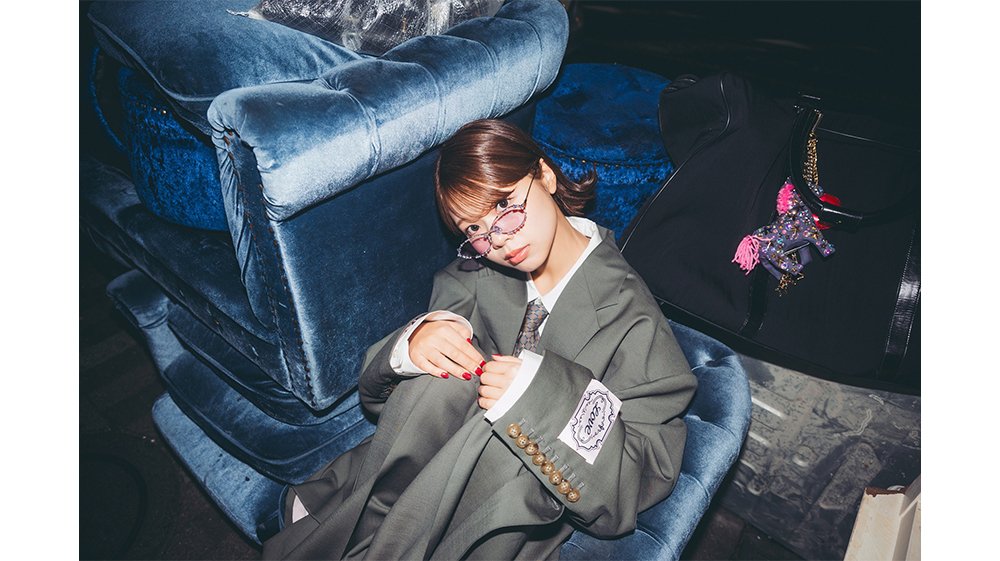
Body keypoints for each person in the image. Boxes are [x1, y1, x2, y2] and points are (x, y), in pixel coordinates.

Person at [261, 119, 697, 560]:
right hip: (399, 480)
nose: (499, 239)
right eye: (474, 230)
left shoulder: (632, 317)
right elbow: (383, 402)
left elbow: (637, 480)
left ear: (545, 175)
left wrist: (540, 397)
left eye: (505, 205)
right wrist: (413, 345)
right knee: (442, 380)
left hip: (491, 513)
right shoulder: (474, 275)